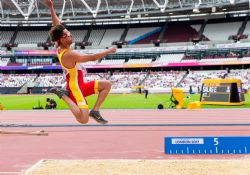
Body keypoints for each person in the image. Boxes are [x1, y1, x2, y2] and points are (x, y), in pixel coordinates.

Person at [45, 0, 116, 124]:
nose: (71, 35)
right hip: (74, 87)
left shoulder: (60, 45)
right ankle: (63, 95)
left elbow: (56, 24)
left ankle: (95, 111)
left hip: (81, 84)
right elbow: (93, 57)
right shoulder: (69, 54)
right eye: (69, 34)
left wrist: (51, 7)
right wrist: (109, 51)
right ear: (63, 38)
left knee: (106, 85)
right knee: (83, 119)